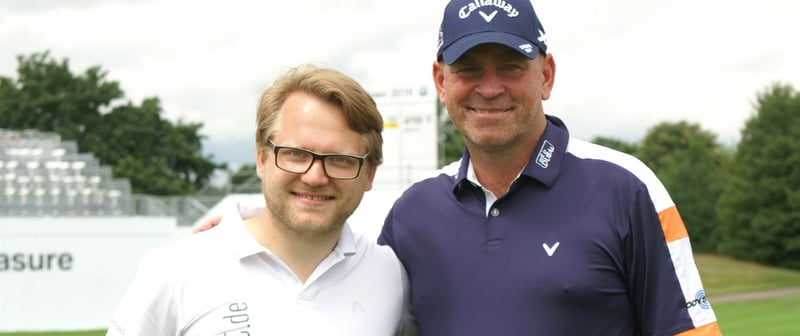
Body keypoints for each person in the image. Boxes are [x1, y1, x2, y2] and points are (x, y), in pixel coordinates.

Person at [376, 0, 722, 335]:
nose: (491, 88)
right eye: (468, 69)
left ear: (546, 76)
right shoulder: (412, 213)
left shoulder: (626, 187)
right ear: (441, 82)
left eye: (510, 66)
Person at [107, 65, 416, 335]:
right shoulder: (176, 270)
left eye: (340, 160)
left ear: (370, 174)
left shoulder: (391, 276)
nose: (315, 177)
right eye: (296, 154)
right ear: (261, 159)